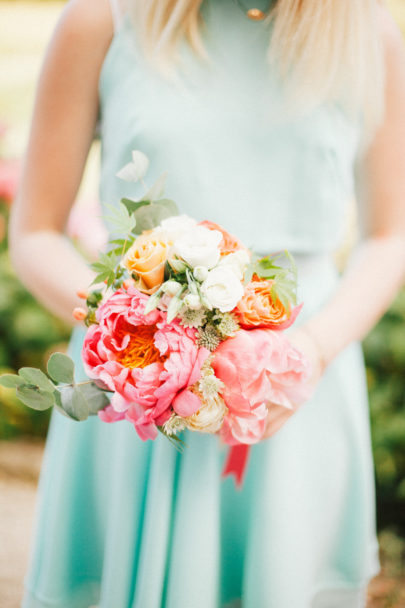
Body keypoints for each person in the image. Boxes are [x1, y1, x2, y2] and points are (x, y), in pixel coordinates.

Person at [9, 0, 405, 606]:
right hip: (138, 388)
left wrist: (311, 351)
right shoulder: (101, 19)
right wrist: (137, 326)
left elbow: (389, 237)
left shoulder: (370, 31)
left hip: (297, 390)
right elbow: (35, 233)